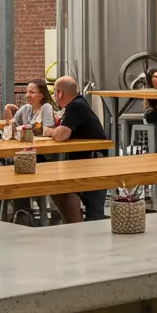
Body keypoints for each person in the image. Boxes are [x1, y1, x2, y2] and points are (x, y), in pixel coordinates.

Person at [45, 75, 108, 222]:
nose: (54, 96)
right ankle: (74, 225)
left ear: (60, 93)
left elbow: (61, 135)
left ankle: (78, 228)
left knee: (94, 214)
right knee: (60, 188)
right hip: (88, 161)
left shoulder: (75, 106)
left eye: (54, 92)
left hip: (93, 162)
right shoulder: (79, 104)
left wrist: (48, 131)